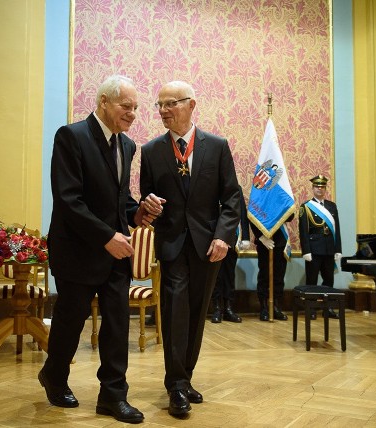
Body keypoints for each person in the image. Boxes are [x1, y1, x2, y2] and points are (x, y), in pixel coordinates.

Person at [38, 75, 154, 424]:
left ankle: (113, 396)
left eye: (135, 108)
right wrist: (107, 236)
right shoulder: (71, 137)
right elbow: (69, 200)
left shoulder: (128, 146)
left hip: (115, 252)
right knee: (70, 321)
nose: (132, 113)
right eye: (126, 106)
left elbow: (119, 201)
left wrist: (139, 212)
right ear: (104, 101)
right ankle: (54, 377)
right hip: (76, 250)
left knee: (117, 323)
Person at [139, 80, 240, 417]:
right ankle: (176, 385)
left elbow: (232, 197)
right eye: (160, 105)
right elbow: (146, 198)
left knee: (196, 313)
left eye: (171, 104)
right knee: (174, 310)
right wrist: (147, 203)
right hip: (171, 245)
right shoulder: (152, 151)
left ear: (191, 104)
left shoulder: (217, 146)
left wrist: (224, 236)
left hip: (209, 246)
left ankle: (185, 376)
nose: (164, 111)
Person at [298, 174, 342, 319]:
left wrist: (338, 249)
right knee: (312, 281)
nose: (320, 189)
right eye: (317, 186)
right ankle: (311, 309)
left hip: (329, 248)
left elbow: (337, 229)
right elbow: (303, 231)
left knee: (329, 280)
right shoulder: (306, 207)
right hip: (314, 249)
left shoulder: (332, 206)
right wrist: (306, 250)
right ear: (312, 188)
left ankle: (327, 308)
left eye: (322, 187)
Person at [210, 184, 250, 323]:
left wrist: (245, 236)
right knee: (215, 276)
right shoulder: (209, 184)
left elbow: (242, 212)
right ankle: (216, 309)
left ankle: (228, 308)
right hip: (213, 237)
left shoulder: (236, 188)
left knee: (229, 274)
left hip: (231, 237)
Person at [251, 216, 293, 321]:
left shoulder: (282, 198)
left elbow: (290, 216)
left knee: (279, 276)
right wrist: (261, 237)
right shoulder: (260, 198)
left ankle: (276, 307)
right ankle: (264, 308)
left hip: (280, 240)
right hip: (265, 240)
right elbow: (252, 216)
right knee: (264, 276)